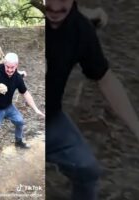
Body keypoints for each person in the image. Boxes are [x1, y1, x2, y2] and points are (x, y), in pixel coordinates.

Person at [45, 0, 139, 199]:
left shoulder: (80, 29)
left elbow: (105, 79)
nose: (53, 7)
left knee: (87, 170)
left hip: (49, 120)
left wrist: (136, 128)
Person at [0, 52, 45, 165]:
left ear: (16, 65)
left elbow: (26, 93)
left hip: (9, 107)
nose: (9, 70)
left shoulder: (17, 78)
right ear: (4, 64)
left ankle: (18, 142)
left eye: (12, 67)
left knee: (20, 121)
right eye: (7, 67)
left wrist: (36, 109)